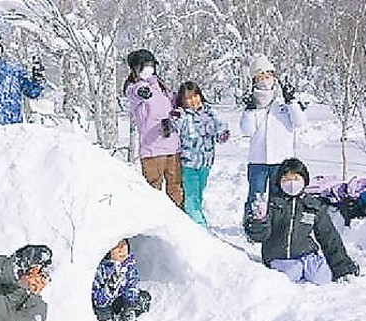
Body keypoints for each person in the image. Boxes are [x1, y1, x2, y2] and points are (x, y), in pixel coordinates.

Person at [245, 158, 360, 284]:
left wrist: (343, 268)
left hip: (306, 256)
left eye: (296, 179)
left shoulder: (312, 205)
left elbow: (329, 237)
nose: (291, 183)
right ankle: (299, 268)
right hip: (279, 258)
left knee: (323, 277)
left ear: (304, 180)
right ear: (279, 182)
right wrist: (259, 221)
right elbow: (259, 236)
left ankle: (312, 266)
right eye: (287, 179)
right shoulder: (273, 204)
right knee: (290, 274)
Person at [240, 54, 306, 226]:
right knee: (257, 195)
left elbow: (300, 122)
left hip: (282, 160)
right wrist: (249, 110)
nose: (264, 80)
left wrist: (291, 101)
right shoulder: (253, 103)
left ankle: (279, 226)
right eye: (260, 77)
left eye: (267, 76)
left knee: (280, 196)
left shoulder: (283, 102)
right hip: (258, 161)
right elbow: (246, 130)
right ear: (254, 80)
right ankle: (254, 226)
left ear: (274, 77)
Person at [124, 49, 183, 208]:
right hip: (152, 150)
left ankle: (180, 225)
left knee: (176, 189)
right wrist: (141, 91)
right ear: (135, 69)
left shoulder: (161, 86)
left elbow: (173, 104)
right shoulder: (135, 87)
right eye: (143, 66)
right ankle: (155, 227)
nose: (148, 69)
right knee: (153, 191)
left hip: (172, 146)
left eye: (150, 65)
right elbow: (134, 93)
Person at [173, 81, 230, 227]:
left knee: (198, 195)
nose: (193, 101)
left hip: (205, 163)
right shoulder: (183, 115)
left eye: (195, 96)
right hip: (188, 164)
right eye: (188, 98)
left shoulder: (209, 113)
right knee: (191, 198)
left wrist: (223, 134)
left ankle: (189, 223)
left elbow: (219, 128)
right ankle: (200, 228)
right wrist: (174, 119)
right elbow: (175, 128)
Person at [92, 239, 151, 321]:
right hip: (104, 303)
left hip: (118, 298)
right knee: (103, 314)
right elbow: (98, 301)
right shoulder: (101, 269)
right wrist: (110, 288)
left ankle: (126, 315)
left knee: (143, 297)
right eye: (116, 246)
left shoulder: (128, 264)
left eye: (124, 243)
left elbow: (132, 283)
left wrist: (130, 303)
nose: (122, 248)